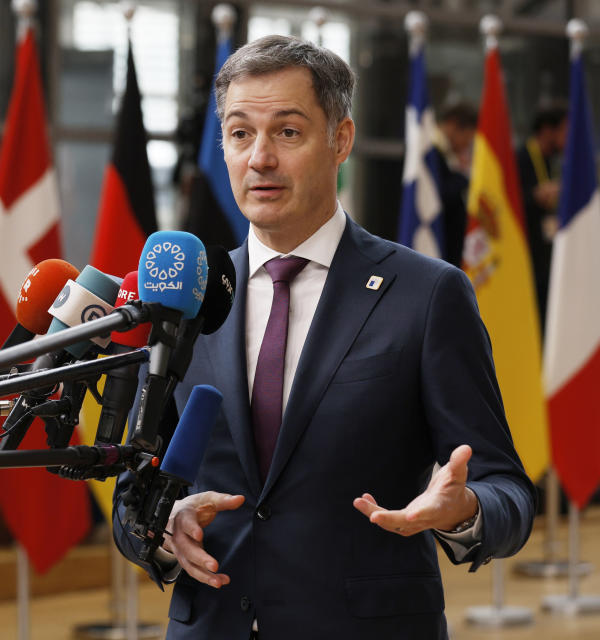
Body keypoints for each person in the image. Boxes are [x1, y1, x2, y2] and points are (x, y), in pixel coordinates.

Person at [113, 35, 535, 639]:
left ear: (341, 140)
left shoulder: (426, 294)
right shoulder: (184, 298)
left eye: (287, 132)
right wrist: (159, 533)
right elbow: (133, 489)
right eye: (239, 133)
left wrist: (464, 511)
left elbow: (508, 492)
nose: (259, 158)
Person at [516, 103, 567, 328]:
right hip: (525, 256)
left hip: (549, 254)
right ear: (547, 130)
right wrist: (534, 197)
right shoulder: (520, 158)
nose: (569, 136)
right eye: (565, 129)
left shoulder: (557, 162)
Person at [434, 100, 477, 266]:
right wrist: (464, 176)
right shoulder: (432, 153)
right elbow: (440, 195)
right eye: (467, 137)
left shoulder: (448, 154)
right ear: (452, 125)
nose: (467, 145)